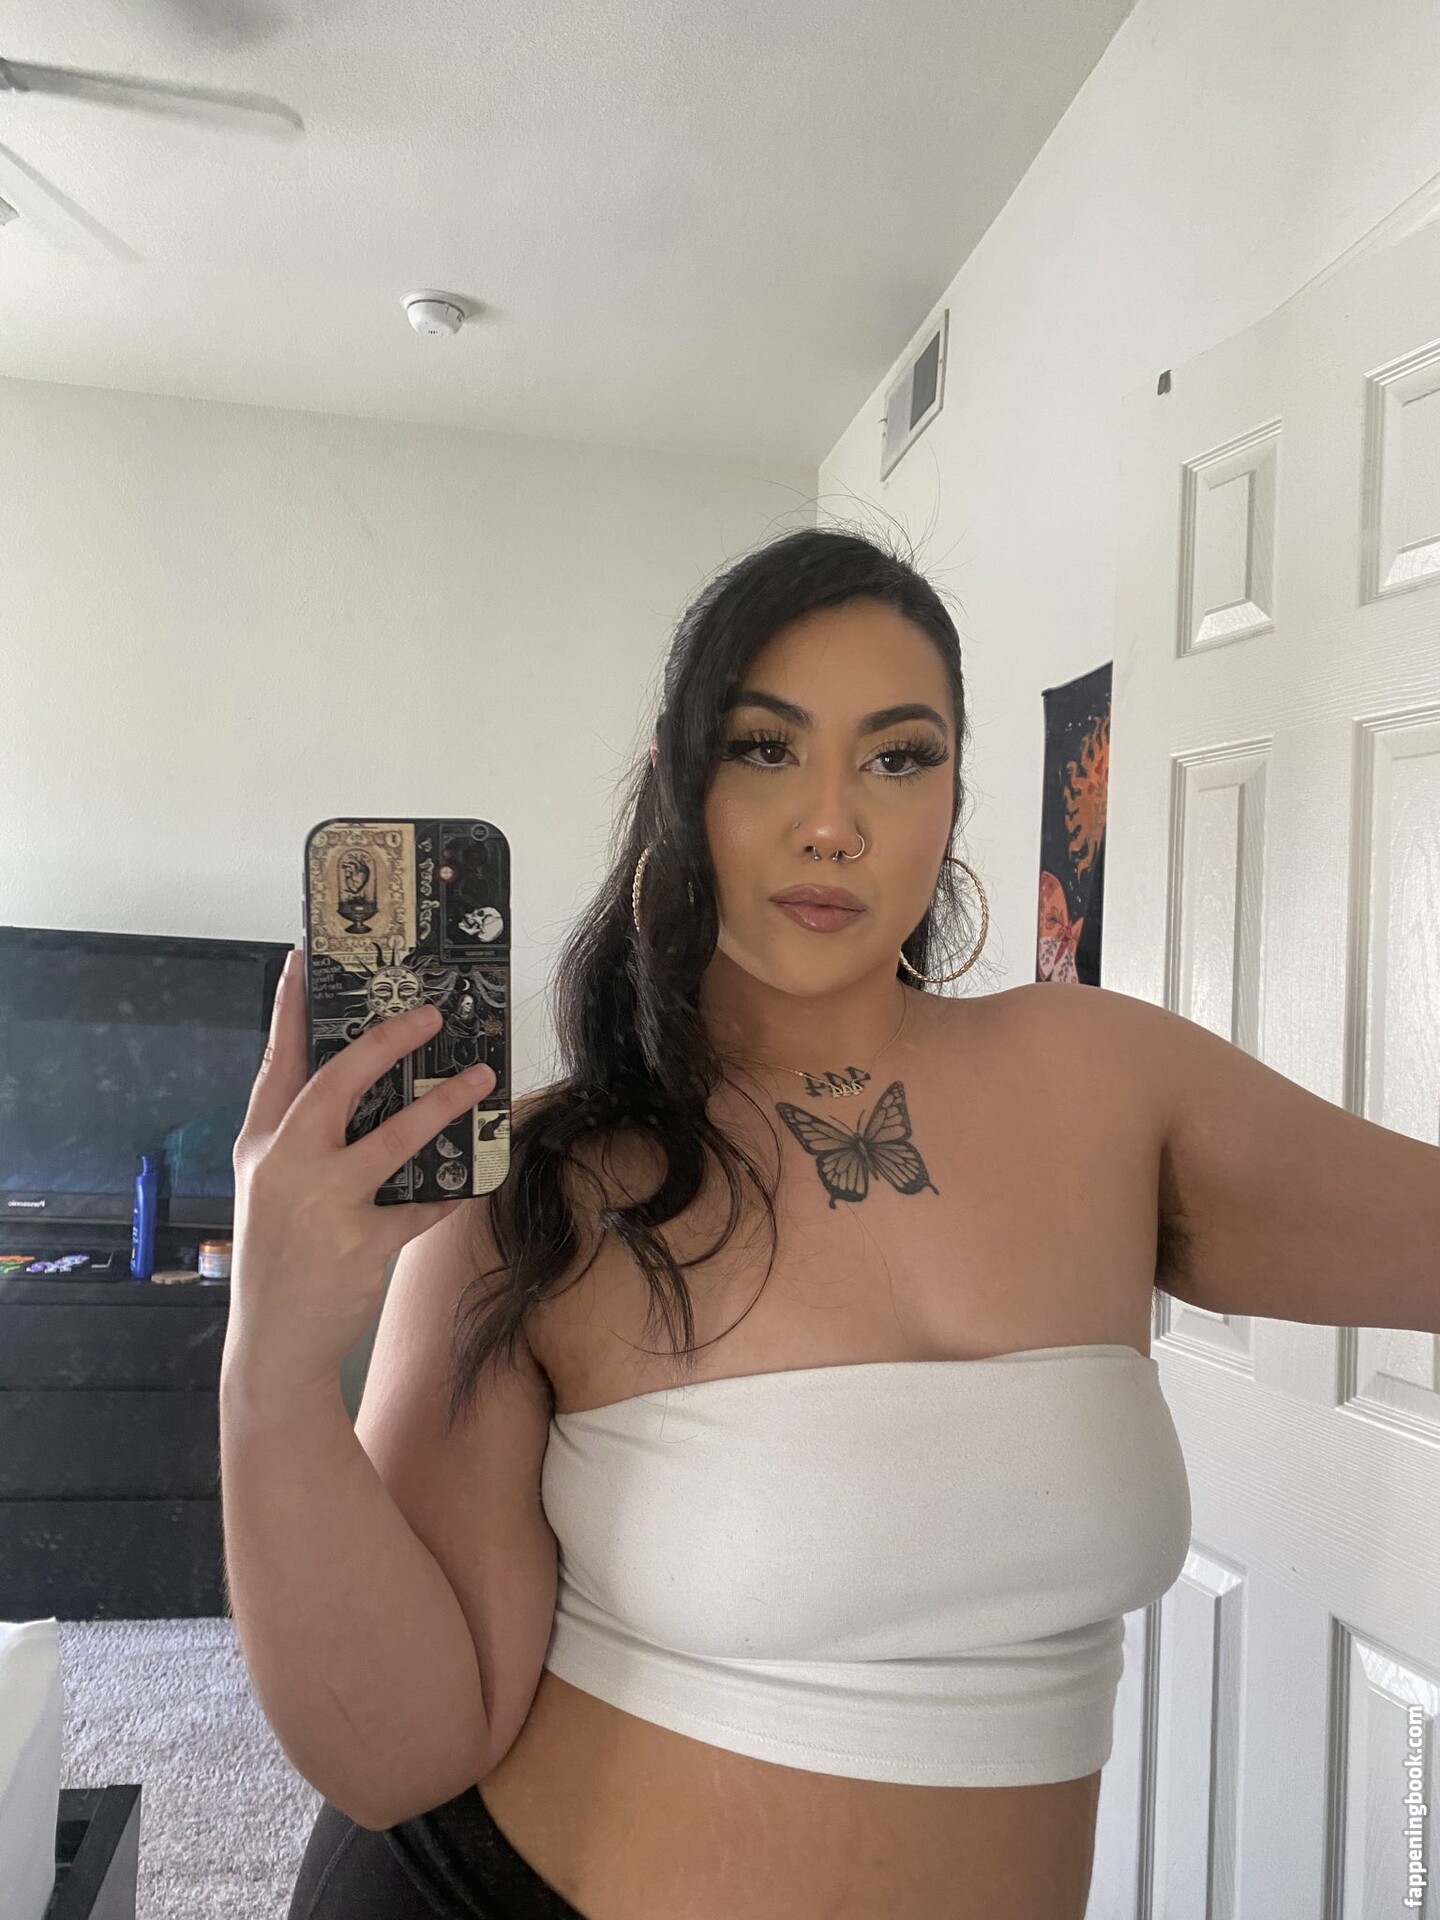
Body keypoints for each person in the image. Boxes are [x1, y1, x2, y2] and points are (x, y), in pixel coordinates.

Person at [222, 524, 1194, 1919]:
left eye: (899, 756)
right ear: (679, 791)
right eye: (763, 747)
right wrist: (269, 1364)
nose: (832, 822)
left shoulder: (1106, 1079)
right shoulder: (539, 1190)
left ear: (955, 795)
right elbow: (399, 1756)